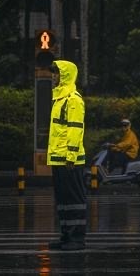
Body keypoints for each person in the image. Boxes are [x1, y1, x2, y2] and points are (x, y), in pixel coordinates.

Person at [47, 60, 87, 251]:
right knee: (63, 200)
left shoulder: (73, 99)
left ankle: (76, 239)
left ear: (66, 76)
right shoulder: (59, 99)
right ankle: (66, 236)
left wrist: (70, 156)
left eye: (57, 73)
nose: (53, 76)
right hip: (59, 159)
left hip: (69, 160)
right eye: (53, 73)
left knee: (74, 200)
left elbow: (75, 129)